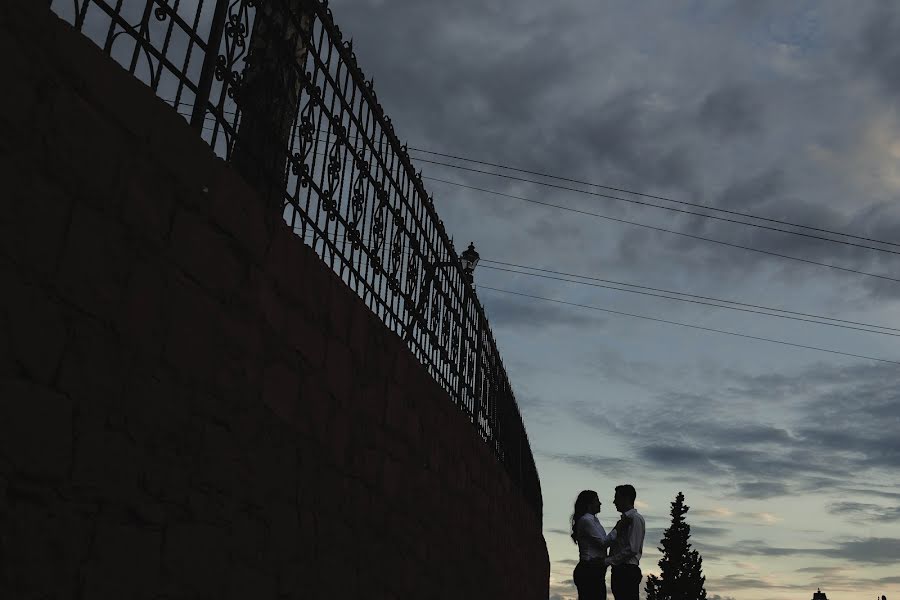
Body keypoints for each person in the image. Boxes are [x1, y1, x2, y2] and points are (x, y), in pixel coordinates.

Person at [571, 490, 618, 599]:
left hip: (594, 570)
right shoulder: (586, 520)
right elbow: (603, 543)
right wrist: (618, 528)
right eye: (596, 501)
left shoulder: (593, 520)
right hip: (589, 569)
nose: (600, 503)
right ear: (589, 504)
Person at [605, 484, 645, 600]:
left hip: (627, 571)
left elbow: (633, 548)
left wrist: (609, 560)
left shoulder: (635, 519)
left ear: (626, 499)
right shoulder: (623, 521)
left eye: (616, 498)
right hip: (620, 570)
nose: (614, 502)